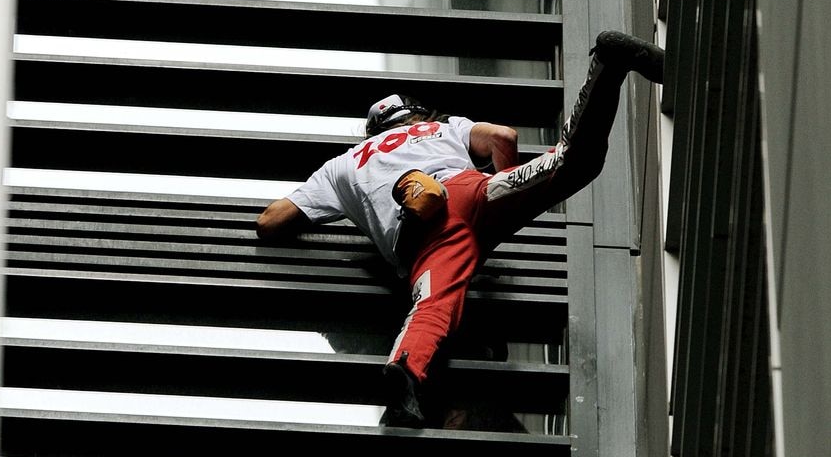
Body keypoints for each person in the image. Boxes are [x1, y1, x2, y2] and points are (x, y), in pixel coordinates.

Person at [256, 30, 665, 428]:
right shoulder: (444, 127)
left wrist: (345, 207)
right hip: (478, 192)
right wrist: (504, 208)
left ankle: (405, 378)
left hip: (427, 235)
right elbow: (504, 136)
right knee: (573, 160)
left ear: (372, 132)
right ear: (415, 115)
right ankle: (607, 64)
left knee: (433, 307)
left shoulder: (341, 166)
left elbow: (271, 222)